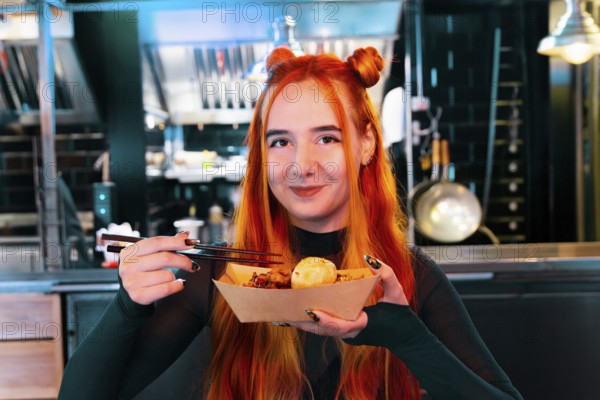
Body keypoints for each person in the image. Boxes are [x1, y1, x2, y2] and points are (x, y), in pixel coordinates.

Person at [59, 47, 523, 400]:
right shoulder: (223, 272)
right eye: (280, 142)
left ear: (364, 145)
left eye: (326, 137)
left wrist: (405, 335)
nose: (302, 164)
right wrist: (127, 306)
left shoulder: (407, 274)